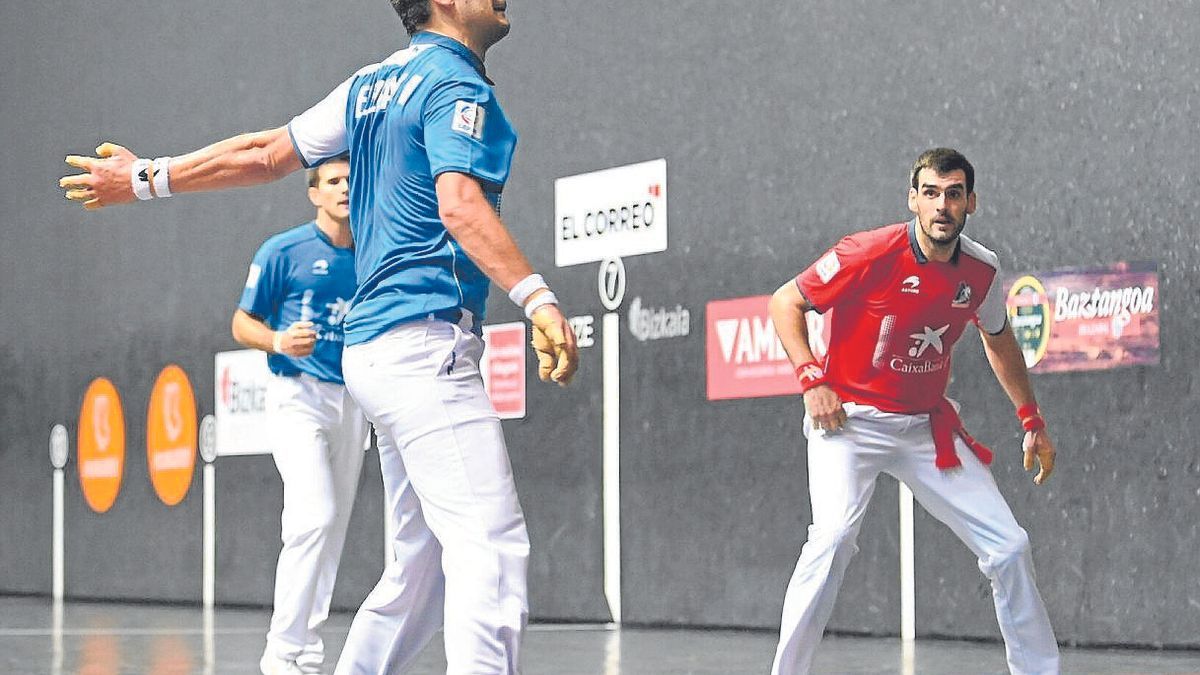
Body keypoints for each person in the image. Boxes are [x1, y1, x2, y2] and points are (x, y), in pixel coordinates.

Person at [58, 0, 579, 672]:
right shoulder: (455, 84)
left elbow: (264, 153)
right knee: (490, 548)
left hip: (374, 354)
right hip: (423, 346)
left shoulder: (368, 87)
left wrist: (144, 177)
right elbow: (459, 203)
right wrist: (537, 296)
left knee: (423, 567)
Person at [766, 148, 1059, 675]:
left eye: (952, 194)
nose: (941, 205)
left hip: (926, 429)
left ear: (971, 201)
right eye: (930, 193)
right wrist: (813, 379)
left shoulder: (981, 269)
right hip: (847, 424)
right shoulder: (868, 253)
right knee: (831, 539)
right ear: (913, 200)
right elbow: (785, 302)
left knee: (1010, 547)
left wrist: (1031, 420)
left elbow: (998, 339)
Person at [230, 156, 367, 674]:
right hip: (297, 396)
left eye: (352, 181)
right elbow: (242, 322)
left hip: (351, 401)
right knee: (313, 516)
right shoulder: (282, 251)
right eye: (333, 182)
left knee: (332, 531)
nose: (344, 189)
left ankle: (305, 654)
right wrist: (280, 341)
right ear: (314, 193)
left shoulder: (375, 256)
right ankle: (282, 652)